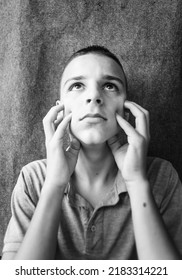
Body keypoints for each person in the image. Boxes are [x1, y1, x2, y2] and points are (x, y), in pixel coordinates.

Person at [2, 46, 182, 260]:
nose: (94, 96)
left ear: (127, 109)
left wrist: (136, 181)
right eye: (77, 85)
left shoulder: (162, 175)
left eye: (109, 86)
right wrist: (54, 183)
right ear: (60, 109)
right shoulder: (33, 178)